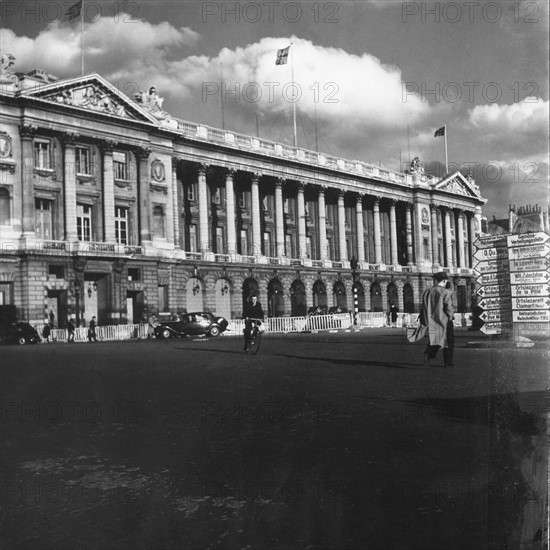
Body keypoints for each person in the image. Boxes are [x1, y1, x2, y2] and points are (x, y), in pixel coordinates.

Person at [419, 272, 455, 367]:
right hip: (444, 320)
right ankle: (448, 362)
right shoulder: (445, 292)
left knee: (435, 338)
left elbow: (424, 307)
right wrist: (451, 317)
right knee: (448, 340)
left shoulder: (427, 292)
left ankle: (428, 354)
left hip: (431, 320)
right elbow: (448, 307)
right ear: (444, 280)